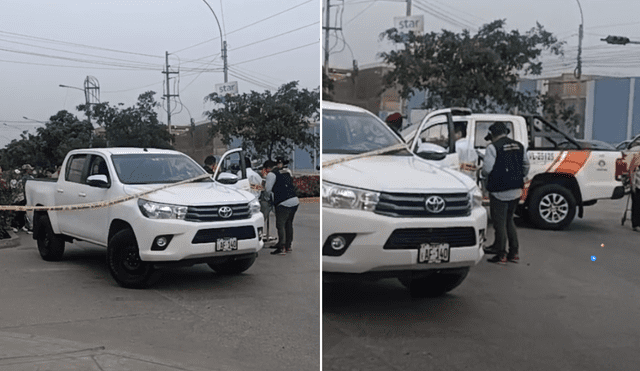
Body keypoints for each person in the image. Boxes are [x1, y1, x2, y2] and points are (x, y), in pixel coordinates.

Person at [482, 122, 530, 264]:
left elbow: (487, 169)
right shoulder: (519, 146)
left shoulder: (493, 147)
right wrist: (518, 175)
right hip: (516, 190)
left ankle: (501, 254)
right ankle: (514, 253)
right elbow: (526, 165)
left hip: (499, 191)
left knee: (499, 223)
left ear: (493, 135)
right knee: (509, 221)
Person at [264, 160, 300, 255]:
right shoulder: (285, 172)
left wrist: (268, 199)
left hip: (283, 202)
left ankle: (282, 247)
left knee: (280, 225)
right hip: (294, 200)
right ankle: (288, 246)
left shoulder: (271, 175)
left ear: (267, 168)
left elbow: (268, 190)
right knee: (289, 224)